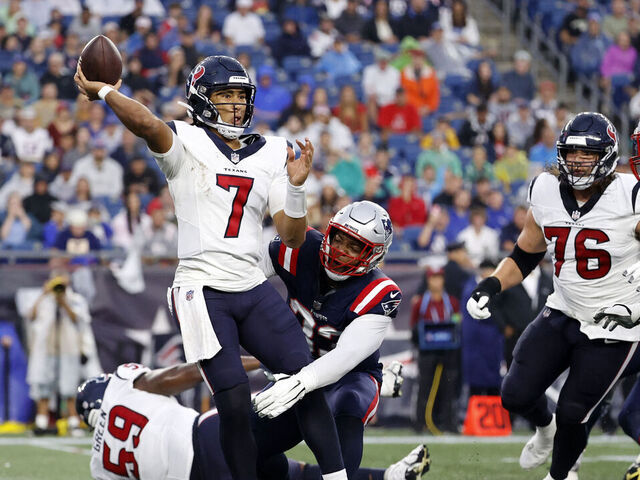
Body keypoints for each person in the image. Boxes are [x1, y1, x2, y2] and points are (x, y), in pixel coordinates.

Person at [74, 54, 347, 480]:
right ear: (202, 99)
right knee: (234, 403)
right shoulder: (185, 143)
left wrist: (295, 188)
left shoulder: (274, 151)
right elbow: (147, 124)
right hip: (202, 291)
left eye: (241, 96)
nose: (236, 105)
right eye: (225, 95)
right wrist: (106, 90)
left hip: (251, 285)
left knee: (306, 382)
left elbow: (292, 236)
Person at [466, 112, 640, 480]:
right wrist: (492, 286)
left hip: (615, 325)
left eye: (587, 154)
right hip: (563, 310)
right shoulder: (545, 190)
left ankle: (560, 476)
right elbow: (526, 253)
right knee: (513, 394)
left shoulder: (630, 195)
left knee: (574, 412)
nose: (577, 160)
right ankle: (544, 429)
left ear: (607, 157)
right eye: (571, 152)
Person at [76, 362, 429, 480]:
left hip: (199, 475)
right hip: (208, 436)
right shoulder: (120, 387)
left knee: (293, 474)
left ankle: (388, 476)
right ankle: (365, 379)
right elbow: (170, 378)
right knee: (291, 401)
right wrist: (240, 361)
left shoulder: (100, 467)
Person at [253, 201, 402, 477]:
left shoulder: (380, 292)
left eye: (354, 247)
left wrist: (301, 382)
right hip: (296, 372)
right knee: (245, 448)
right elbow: (241, 278)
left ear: (374, 255)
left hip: (348, 380)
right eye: (338, 239)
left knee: (343, 442)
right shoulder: (301, 247)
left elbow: (346, 357)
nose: (340, 250)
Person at [27, 272, 90, 435]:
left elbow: (79, 320)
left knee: (69, 388)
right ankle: (41, 422)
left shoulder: (75, 299)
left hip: (68, 348)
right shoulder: (45, 300)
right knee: (44, 386)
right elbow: (31, 316)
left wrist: (63, 302)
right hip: (47, 349)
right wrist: (44, 294)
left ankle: (74, 423)